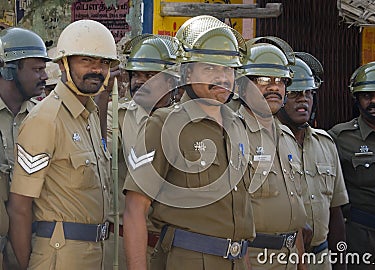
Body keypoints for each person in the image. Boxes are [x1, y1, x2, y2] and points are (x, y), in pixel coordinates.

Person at [123, 15, 254, 269]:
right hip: (188, 260)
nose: (222, 77)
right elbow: (135, 210)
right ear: (186, 72)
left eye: (228, 69)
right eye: (210, 68)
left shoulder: (238, 127)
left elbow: (241, 217)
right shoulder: (163, 125)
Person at [7, 19, 119, 269]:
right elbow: (20, 207)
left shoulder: (87, 115)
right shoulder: (46, 120)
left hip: (94, 253)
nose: (96, 69)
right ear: (64, 64)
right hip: (59, 257)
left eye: (104, 62)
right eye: (86, 61)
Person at [104, 33, 180, 270]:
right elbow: (100, 151)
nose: (139, 81)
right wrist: (102, 99)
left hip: (174, 248)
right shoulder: (116, 116)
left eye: (149, 75)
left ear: (170, 81)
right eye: (135, 74)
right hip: (123, 245)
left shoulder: (186, 120)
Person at [237, 37, 307, 269]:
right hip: (253, 257)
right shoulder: (233, 132)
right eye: (264, 79)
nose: (274, 87)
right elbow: (231, 214)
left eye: (280, 80)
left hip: (288, 255)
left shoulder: (286, 137)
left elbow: (294, 210)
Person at [276, 52, 348, 269]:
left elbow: (336, 212)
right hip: (280, 257)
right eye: (295, 93)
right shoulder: (267, 141)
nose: (304, 100)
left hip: (321, 257)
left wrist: (340, 262)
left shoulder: (326, 144)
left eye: (309, 93)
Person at [328, 61, 375, 270]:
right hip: (361, 241)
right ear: (357, 99)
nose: (374, 101)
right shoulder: (339, 138)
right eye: (367, 96)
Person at [0, 27, 49, 270]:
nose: (45, 76)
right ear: (9, 70)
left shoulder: (43, 118)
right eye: (37, 69)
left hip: (33, 241)